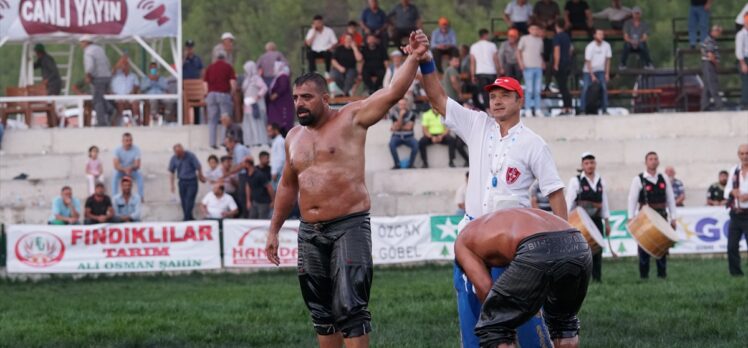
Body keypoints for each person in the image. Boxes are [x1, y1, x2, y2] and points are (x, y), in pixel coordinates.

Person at [264, 31, 430, 348]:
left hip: (348, 226)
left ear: (325, 98)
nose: (299, 103)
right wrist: (274, 229)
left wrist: (413, 57)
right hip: (309, 230)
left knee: (351, 309)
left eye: (307, 97)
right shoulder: (293, 137)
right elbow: (287, 185)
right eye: (296, 98)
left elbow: (393, 92)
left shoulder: (351, 119)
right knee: (321, 313)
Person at [418, 30, 566, 345]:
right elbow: (437, 98)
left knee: (521, 315)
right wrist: (427, 62)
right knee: (471, 309)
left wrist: (561, 245)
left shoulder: (533, 143)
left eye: (504, 95)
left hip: (512, 240)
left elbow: (554, 193)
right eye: (493, 95)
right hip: (472, 234)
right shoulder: (477, 125)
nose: (496, 100)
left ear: (519, 100)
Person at [455, 208, 591, 348]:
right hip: (578, 243)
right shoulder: (494, 223)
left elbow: (485, 287)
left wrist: (497, 317)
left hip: (537, 246)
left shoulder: (462, 243)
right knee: (564, 323)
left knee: (496, 327)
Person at [627, 151, 678, 279]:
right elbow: (632, 199)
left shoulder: (664, 178)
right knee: (644, 246)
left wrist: (673, 217)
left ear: (658, 162)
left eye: (655, 159)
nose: (653, 161)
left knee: (662, 246)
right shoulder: (638, 179)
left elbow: (670, 199)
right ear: (646, 162)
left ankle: (662, 274)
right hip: (645, 218)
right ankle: (644, 276)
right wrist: (631, 217)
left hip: (662, 216)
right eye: (650, 159)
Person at [565, 152, 611, 282]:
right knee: (581, 251)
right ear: (582, 165)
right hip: (580, 222)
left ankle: (597, 278)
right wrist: (566, 222)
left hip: (596, 220)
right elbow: (569, 202)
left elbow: (605, 203)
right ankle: (581, 279)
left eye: (592, 163)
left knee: (597, 249)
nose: (589, 165)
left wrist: (607, 223)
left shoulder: (600, 181)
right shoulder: (576, 181)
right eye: (586, 163)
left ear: (595, 164)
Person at [204, 52, 237, 149]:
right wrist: (232, 93)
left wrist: (206, 93)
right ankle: (223, 142)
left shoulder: (210, 67)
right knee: (225, 118)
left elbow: (205, 83)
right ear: (224, 58)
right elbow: (232, 82)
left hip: (211, 94)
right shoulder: (228, 67)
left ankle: (212, 143)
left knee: (212, 119)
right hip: (223, 94)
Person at [80, 35, 114, 127]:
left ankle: (101, 122)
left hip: (98, 78)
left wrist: (88, 75)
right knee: (99, 97)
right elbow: (108, 62)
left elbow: (90, 66)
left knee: (97, 100)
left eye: (82, 42)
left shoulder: (88, 51)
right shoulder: (100, 49)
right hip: (107, 76)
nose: (81, 45)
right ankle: (110, 109)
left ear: (86, 42)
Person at [725, 144, 748, 276]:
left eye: (747, 153)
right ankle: (736, 274)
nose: (745, 156)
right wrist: (732, 192)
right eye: (742, 153)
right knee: (731, 247)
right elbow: (726, 190)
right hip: (736, 214)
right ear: (738, 155)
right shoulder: (734, 170)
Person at [169, 144, 206, 221]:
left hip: (192, 181)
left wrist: (200, 176)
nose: (179, 154)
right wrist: (172, 185)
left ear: (183, 150)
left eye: (180, 152)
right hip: (182, 181)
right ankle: (189, 217)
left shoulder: (190, 155)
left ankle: (186, 218)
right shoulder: (174, 158)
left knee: (190, 199)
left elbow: (198, 166)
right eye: (177, 153)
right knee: (183, 201)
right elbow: (171, 171)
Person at [581, 29, 612, 115]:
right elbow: (588, 61)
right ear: (594, 35)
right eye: (599, 34)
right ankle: (582, 109)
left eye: (602, 34)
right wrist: (592, 75)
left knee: (604, 88)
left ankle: (604, 109)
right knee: (585, 88)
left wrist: (607, 73)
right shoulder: (590, 47)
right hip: (589, 70)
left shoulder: (607, 46)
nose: (601, 36)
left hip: (601, 70)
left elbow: (607, 60)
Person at [517, 24, 545, 117]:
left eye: (536, 28)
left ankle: (537, 109)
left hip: (538, 66)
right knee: (529, 90)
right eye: (533, 28)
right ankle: (528, 109)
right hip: (528, 66)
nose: (535, 30)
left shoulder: (540, 40)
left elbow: (540, 53)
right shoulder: (524, 38)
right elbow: (518, 51)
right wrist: (521, 63)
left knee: (537, 90)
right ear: (529, 29)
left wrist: (542, 62)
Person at [223, 135, 253, 218]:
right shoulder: (236, 150)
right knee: (240, 195)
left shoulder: (239, 149)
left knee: (243, 196)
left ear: (232, 142)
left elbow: (241, 165)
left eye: (227, 144)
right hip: (242, 174)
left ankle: (246, 215)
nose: (227, 146)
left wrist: (229, 173)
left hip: (244, 174)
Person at [470, 29, 500, 110]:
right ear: (485, 35)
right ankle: (495, 108)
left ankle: (488, 109)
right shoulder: (492, 45)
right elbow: (496, 60)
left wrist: (472, 75)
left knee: (484, 92)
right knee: (493, 92)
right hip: (491, 72)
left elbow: (472, 62)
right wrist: (498, 72)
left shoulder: (474, 46)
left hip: (480, 72)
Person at [241, 61, 269, 146]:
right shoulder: (247, 79)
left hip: (255, 105)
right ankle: (250, 141)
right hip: (247, 104)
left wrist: (258, 96)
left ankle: (259, 141)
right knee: (248, 123)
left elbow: (264, 88)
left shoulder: (256, 78)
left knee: (256, 122)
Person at [112, 133, 144, 201]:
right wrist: (124, 169)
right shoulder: (117, 150)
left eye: (130, 140)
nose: (129, 142)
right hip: (121, 170)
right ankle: (114, 197)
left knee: (140, 177)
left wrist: (130, 168)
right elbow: (116, 165)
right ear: (122, 141)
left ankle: (140, 197)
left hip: (132, 169)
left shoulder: (136, 149)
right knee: (115, 176)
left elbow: (137, 164)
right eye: (127, 140)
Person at [110, 56, 141, 125]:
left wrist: (133, 91)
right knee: (120, 104)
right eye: (123, 64)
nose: (125, 65)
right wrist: (119, 64)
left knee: (135, 103)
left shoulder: (133, 76)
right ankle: (120, 123)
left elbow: (137, 86)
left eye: (126, 64)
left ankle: (137, 122)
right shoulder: (115, 75)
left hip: (130, 96)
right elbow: (111, 72)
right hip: (117, 96)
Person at [388, 98, 418, 169]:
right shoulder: (394, 114)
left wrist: (397, 127)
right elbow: (398, 127)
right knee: (391, 144)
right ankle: (397, 164)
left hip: (409, 137)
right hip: (397, 137)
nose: (402, 106)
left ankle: (411, 164)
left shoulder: (412, 114)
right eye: (400, 104)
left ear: (406, 105)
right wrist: (401, 116)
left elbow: (409, 127)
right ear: (398, 105)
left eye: (404, 104)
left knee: (416, 145)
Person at [267, 61, 295, 135]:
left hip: (283, 102)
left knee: (284, 119)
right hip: (278, 103)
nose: (273, 69)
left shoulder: (283, 76)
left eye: (274, 67)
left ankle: (285, 134)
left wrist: (275, 95)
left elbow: (283, 87)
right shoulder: (278, 76)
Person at [700, 25, 723, 111]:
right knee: (713, 84)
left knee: (707, 86)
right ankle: (719, 105)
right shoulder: (710, 41)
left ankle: (704, 105)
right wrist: (716, 63)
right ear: (713, 31)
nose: (719, 33)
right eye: (717, 31)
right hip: (709, 65)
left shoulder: (708, 40)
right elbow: (710, 54)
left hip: (707, 65)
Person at [553, 19, 574, 115]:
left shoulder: (557, 37)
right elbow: (570, 50)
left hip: (561, 64)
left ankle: (566, 107)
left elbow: (557, 50)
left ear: (557, 26)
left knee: (562, 87)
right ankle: (569, 106)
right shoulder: (567, 36)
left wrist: (556, 64)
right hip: (568, 63)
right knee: (565, 86)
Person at [736, 14, 748, 110]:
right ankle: (744, 103)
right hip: (744, 59)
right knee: (746, 81)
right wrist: (743, 63)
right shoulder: (741, 35)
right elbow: (739, 50)